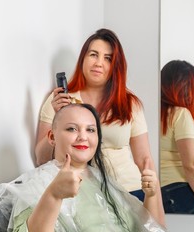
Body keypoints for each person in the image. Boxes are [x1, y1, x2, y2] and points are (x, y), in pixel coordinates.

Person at [0, 104, 190, 232]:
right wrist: (54, 195)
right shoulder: (37, 183)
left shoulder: (105, 182)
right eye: (72, 129)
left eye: (91, 130)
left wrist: (152, 195)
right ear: (52, 137)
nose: (83, 137)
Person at [35, 28, 163, 219]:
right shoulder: (59, 101)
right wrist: (58, 115)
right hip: (82, 194)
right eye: (93, 54)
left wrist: (157, 210)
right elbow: (41, 159)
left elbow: (145, 159)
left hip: (130, 190)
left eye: (108, 58)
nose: (99, 63)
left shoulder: (130, 104)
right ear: (83, 59)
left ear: (115, 66)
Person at [160, 60, 194, 215]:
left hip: (160, 192)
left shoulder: (156, 114)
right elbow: (191, 165)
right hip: (180, 190)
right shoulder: (181, 114)